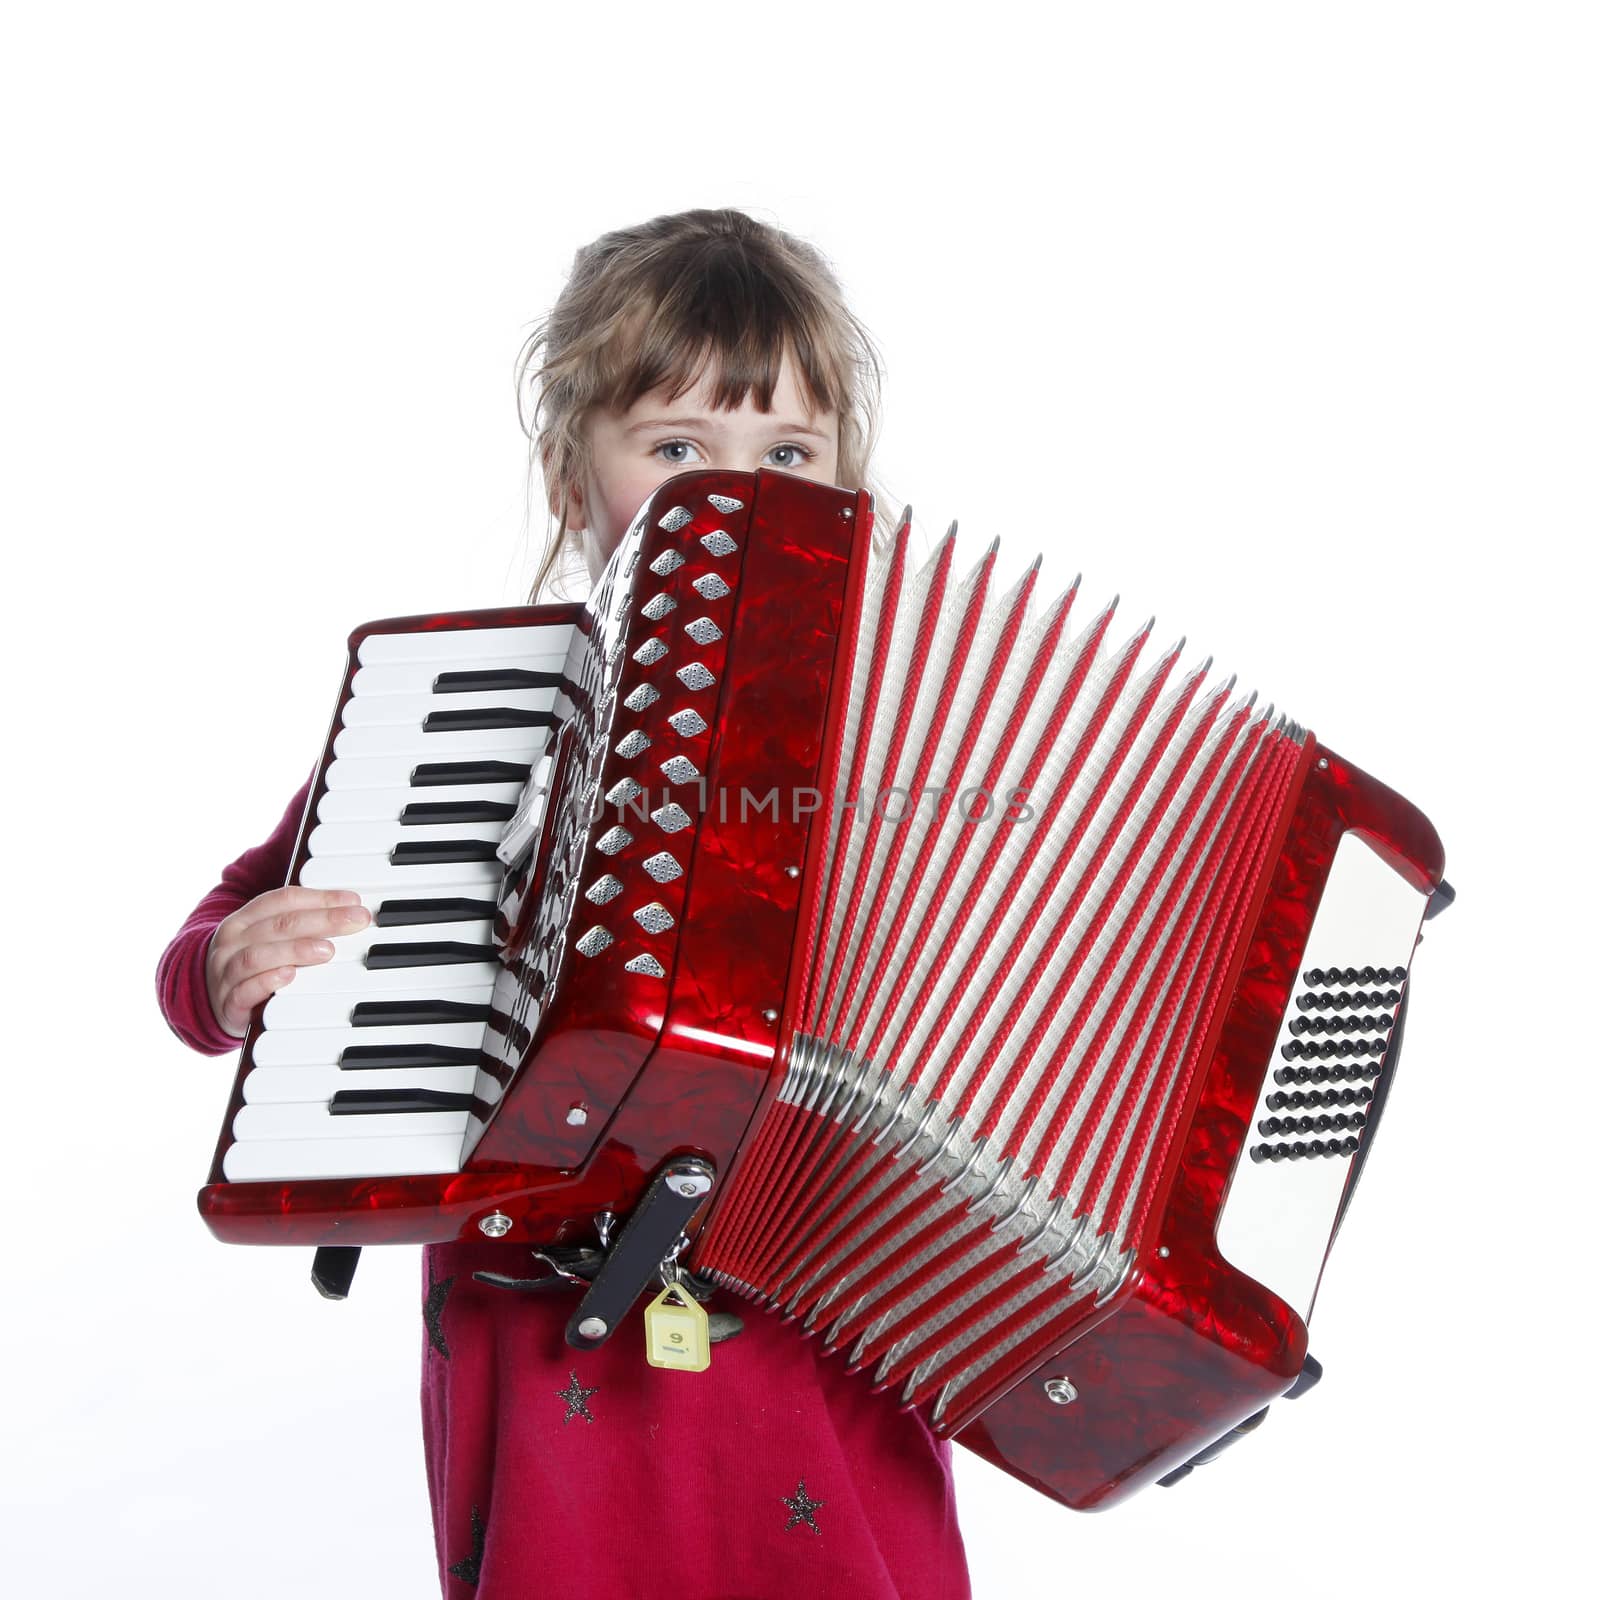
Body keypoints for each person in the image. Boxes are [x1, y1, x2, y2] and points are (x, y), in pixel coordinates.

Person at [156, 208, 971, 1600]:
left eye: (785, 453)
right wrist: (225, 964)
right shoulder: (470, 726)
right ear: (566, 475)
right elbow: (237, 910)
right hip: (547, 1323)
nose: (734, 495)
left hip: (819, 1301)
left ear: (847, 480)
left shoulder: (905, 722)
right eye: (673, 449)